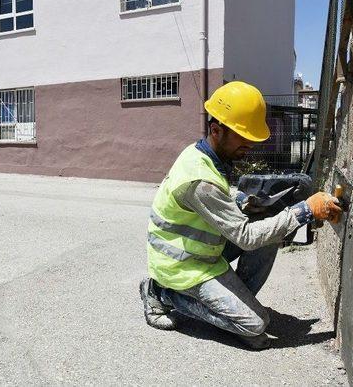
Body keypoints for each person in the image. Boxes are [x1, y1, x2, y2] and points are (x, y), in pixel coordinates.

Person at [139, 81, 342, 349]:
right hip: (182, 267)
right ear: (215, 130)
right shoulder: (200, 180)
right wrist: (305, 210)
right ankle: (161, 292)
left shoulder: (202, 154)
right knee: (255, 328)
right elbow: (244, 236)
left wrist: (241, 200)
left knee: (267, 234)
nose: (249, 145)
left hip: (200, 254)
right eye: (243, 137)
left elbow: (216, 199)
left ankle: (235, 305)